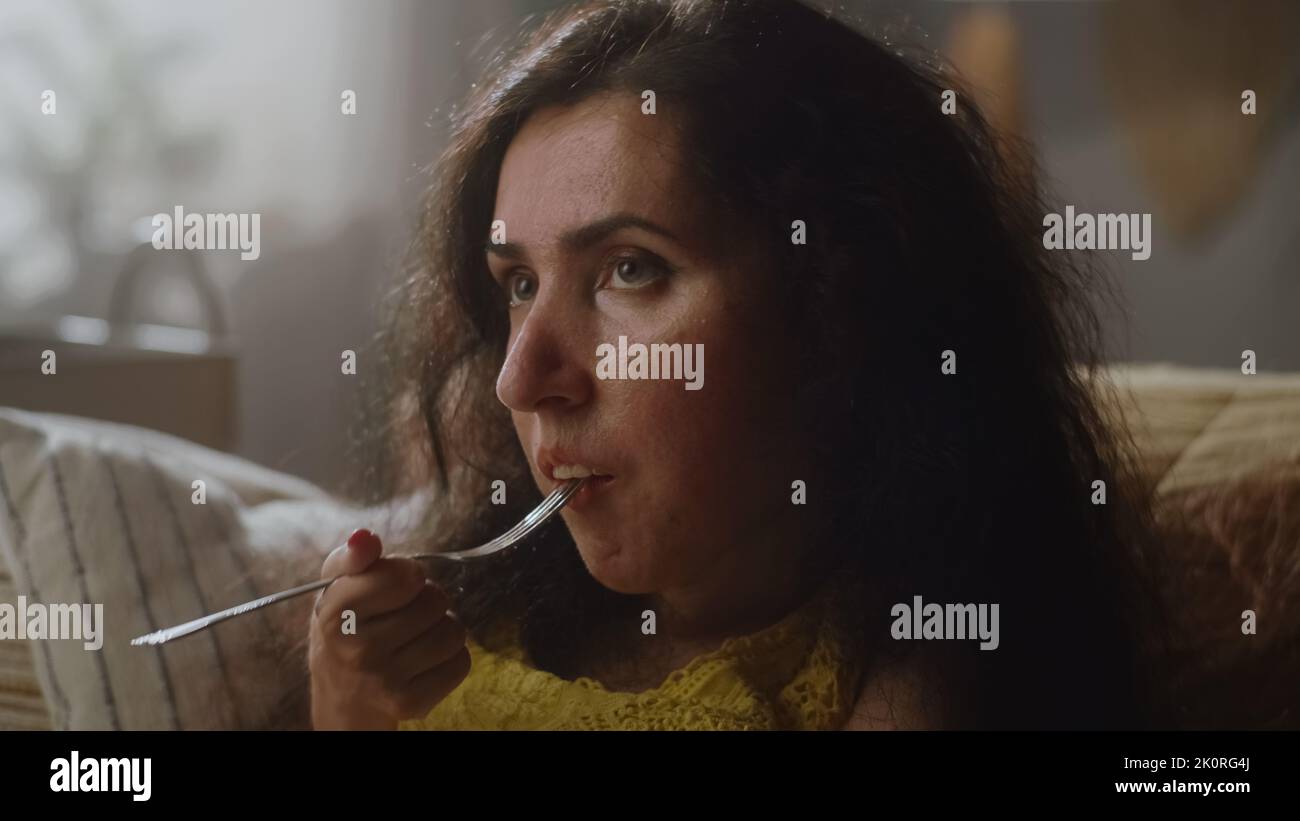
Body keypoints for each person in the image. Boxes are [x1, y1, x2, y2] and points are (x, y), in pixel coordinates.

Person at [307, 0, 1164, 731]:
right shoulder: (457, 617)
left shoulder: (923, 662)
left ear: (838, 302)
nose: (520, 379)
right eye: (520, 283)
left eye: (630, 269)